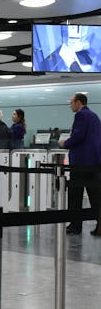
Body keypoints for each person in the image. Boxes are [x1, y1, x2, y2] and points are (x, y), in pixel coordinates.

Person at [59, 93, 101, 236]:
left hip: (81, 162)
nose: (70, 105)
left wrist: (65, 143)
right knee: (95, 196)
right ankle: (99, 225)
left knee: (75, 195)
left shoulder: (81, 115)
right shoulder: (94, 116)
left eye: (71, 102)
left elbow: (78, 135)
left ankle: (75, 226)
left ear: (78, 102)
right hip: (94, 162)